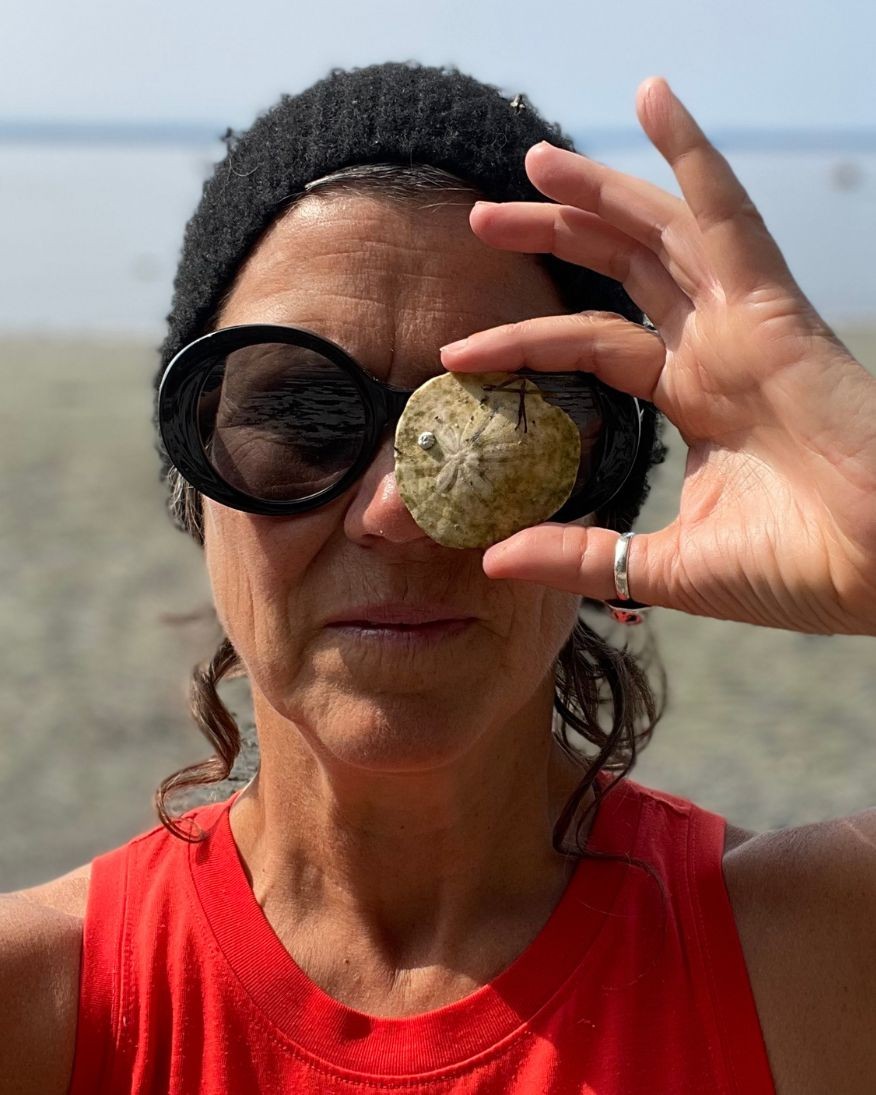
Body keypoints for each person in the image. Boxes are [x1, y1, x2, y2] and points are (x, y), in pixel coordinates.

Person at [3, 62, 874, 1094]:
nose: (401, 516)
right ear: (200, 486)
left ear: (599, 483)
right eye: (300, 416)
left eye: (503, 421)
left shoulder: (817, 953)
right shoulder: (41, 1002)